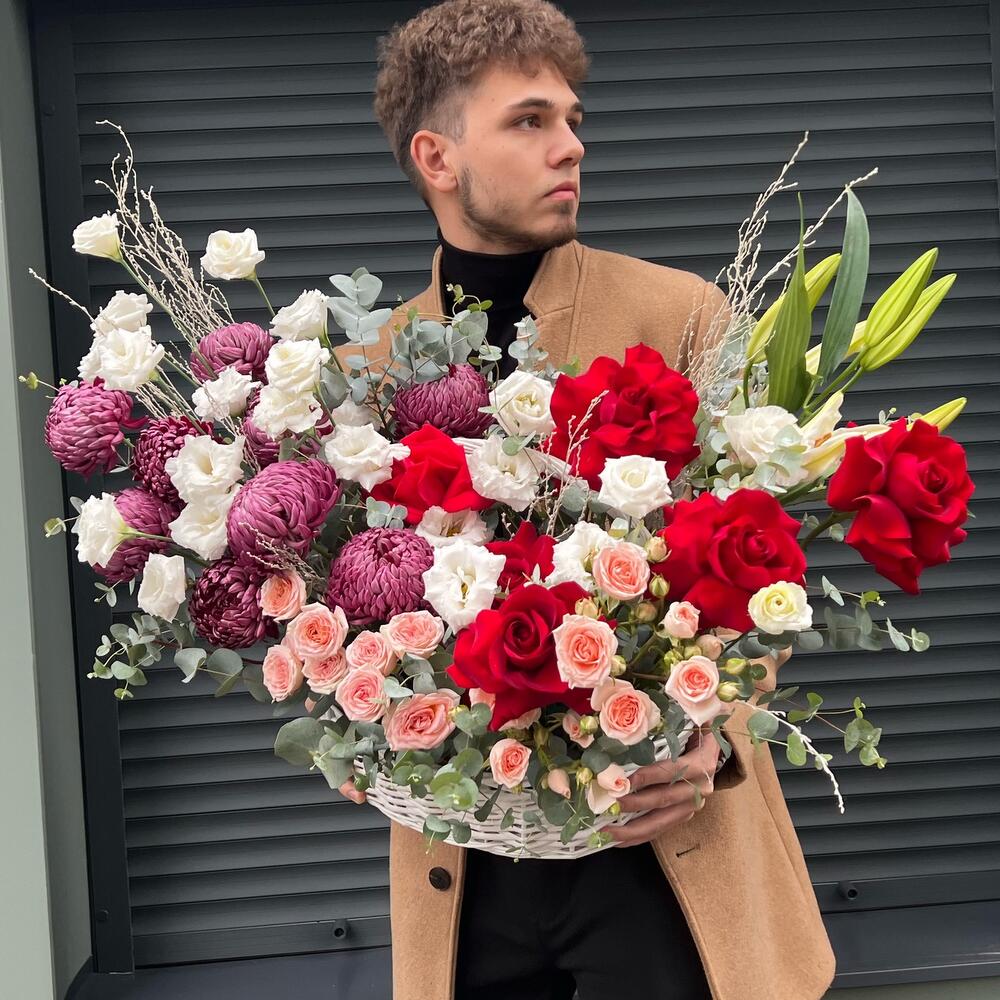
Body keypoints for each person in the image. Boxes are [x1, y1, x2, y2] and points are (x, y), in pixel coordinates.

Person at [333, 2, 837, 998]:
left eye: (571, 118)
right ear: (437, 157)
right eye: (528, 120)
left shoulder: (679, 314)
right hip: (464, 868)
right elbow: (340, 603)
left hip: (664, 847)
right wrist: (347, 723)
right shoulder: (368, 370)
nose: (570, 145)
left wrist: (711, 740)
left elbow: (767, 573)